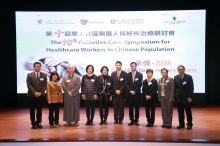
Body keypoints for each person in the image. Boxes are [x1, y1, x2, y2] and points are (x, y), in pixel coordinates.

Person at [26, 62, 47, 129]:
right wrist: (34, 92)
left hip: (40, 96)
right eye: (36, 66)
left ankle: (38, 122)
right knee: (32, 110)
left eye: (39, 66)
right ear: (34, 67)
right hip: (32, 95)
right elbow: (29, 85)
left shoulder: (44, 75)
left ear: (40, 67)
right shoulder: (29, 75)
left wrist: (41, 92)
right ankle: (33, 123)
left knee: (39, 110)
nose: (37, 67)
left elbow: (45, 85)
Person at [174, 65, 194, 130]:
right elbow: (175, 88)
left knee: (188, 111)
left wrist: (190, 96)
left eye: (182, 69)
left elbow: (191, 87)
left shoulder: (188, 77)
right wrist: (175, 96)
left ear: (184, 70)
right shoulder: (175, 77)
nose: (180, 70)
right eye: (179, 69)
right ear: (177, 70)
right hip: (178, 98)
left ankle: (189, 124)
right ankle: (181, 124)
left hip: (186, 97)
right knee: (180, 111)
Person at [126, 62, 143, 126]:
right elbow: (126, 84)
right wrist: (130, 91)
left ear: (136, 67)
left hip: (137, 93)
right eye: (131, 66)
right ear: (130, 67)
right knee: (130, 107)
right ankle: (131, 120)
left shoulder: (140, 74)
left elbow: (140, 84)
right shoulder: (128, 75)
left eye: (134, 66)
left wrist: (135, 91)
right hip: (130, 94)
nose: (133, 67)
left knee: (137, 107)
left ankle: (136, 120)